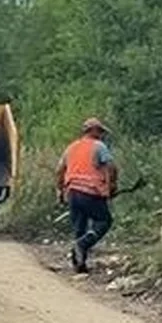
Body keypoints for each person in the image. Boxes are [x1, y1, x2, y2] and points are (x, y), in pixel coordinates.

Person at [56, 117, 119, 274]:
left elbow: (59, 169)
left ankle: (79, 265)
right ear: (94, 131)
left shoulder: (71, 147)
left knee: (79, 226)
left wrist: (60, 190)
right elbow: (111, 166)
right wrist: (112, 185)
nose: (101, 135)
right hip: (91, 192)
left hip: (72, 192)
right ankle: (83, 245)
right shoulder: (99, 146)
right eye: (100, 131)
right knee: (104, 221)